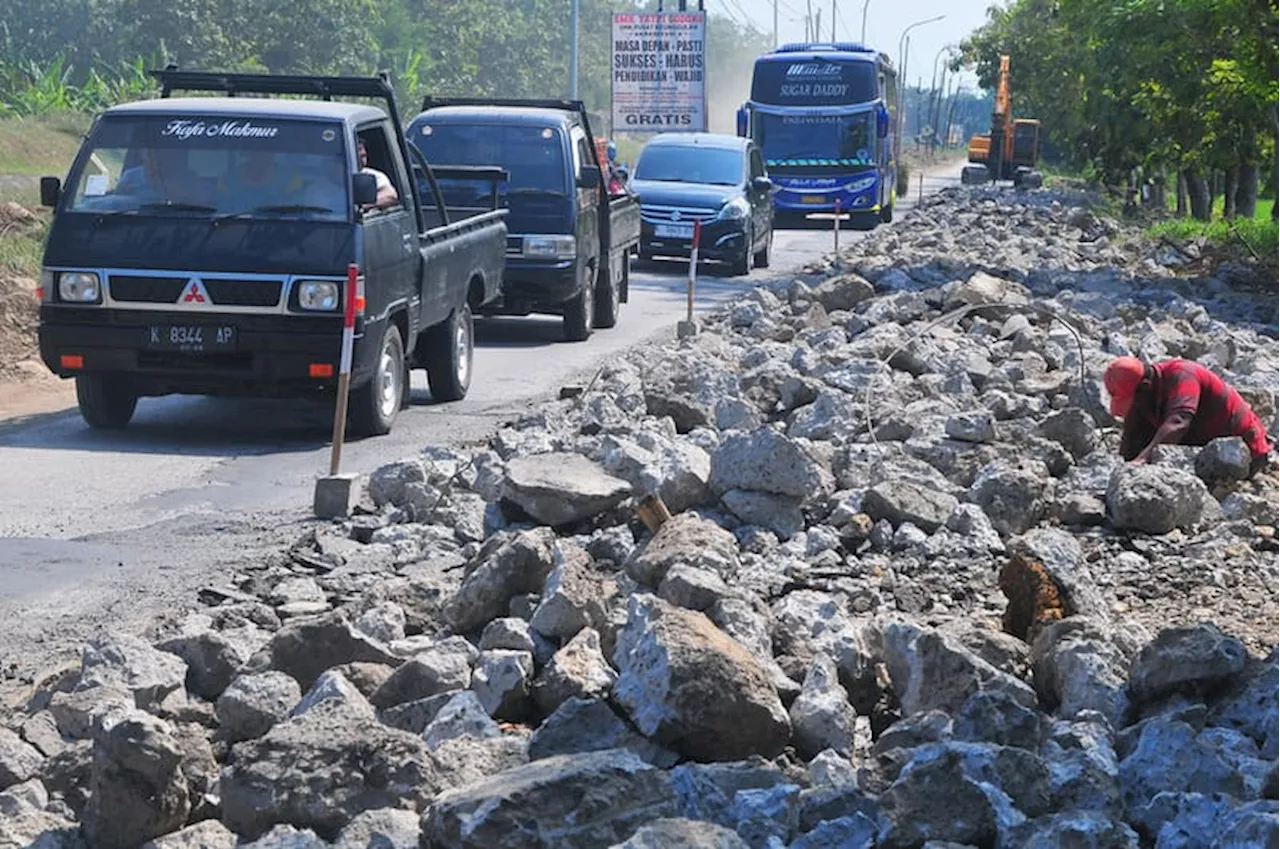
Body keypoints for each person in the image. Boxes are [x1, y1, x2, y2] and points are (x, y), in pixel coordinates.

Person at [1103, 356, 1275, 474]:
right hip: (1200, 444)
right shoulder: (1145, 393)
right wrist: (1122, 468)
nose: (1134, 407)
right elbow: (1132, 433)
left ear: (1145, 386)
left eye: (1132, 401)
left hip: (1242, 451)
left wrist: (1142, 460)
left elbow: (1179, 421)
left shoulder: (1182, 374)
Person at [357, 140, 398, 207]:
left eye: (364, 155)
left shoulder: (373, 175)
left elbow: (390, 194)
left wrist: (362, 205)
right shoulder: (335, 179)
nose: (362, 159)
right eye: (358, 155)